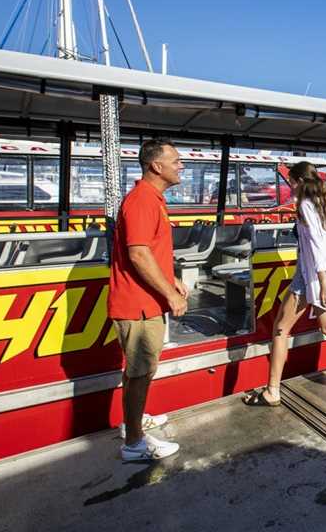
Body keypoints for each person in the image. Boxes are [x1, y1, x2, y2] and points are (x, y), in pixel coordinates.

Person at [245, 161, 326, 406]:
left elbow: (316, 246)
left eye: (292, 182)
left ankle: (272, 390)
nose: (290, 187)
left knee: (280, 330)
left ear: (301, 182)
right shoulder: (322, 204)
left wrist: (322, 282)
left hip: (311, 277)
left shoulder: (305, 206)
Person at [109, 138, 188, 461]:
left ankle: (134, 422)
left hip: (143, 302)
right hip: (137, 304)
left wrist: (172, 281)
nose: (181, 165)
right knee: (141, 371)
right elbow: (139, 254)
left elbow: (148, 251)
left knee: (140, 370)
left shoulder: (150, 198)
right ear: (157, 166)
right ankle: (135, 445)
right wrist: (169, 293)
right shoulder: (142, 200)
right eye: (176, 160)